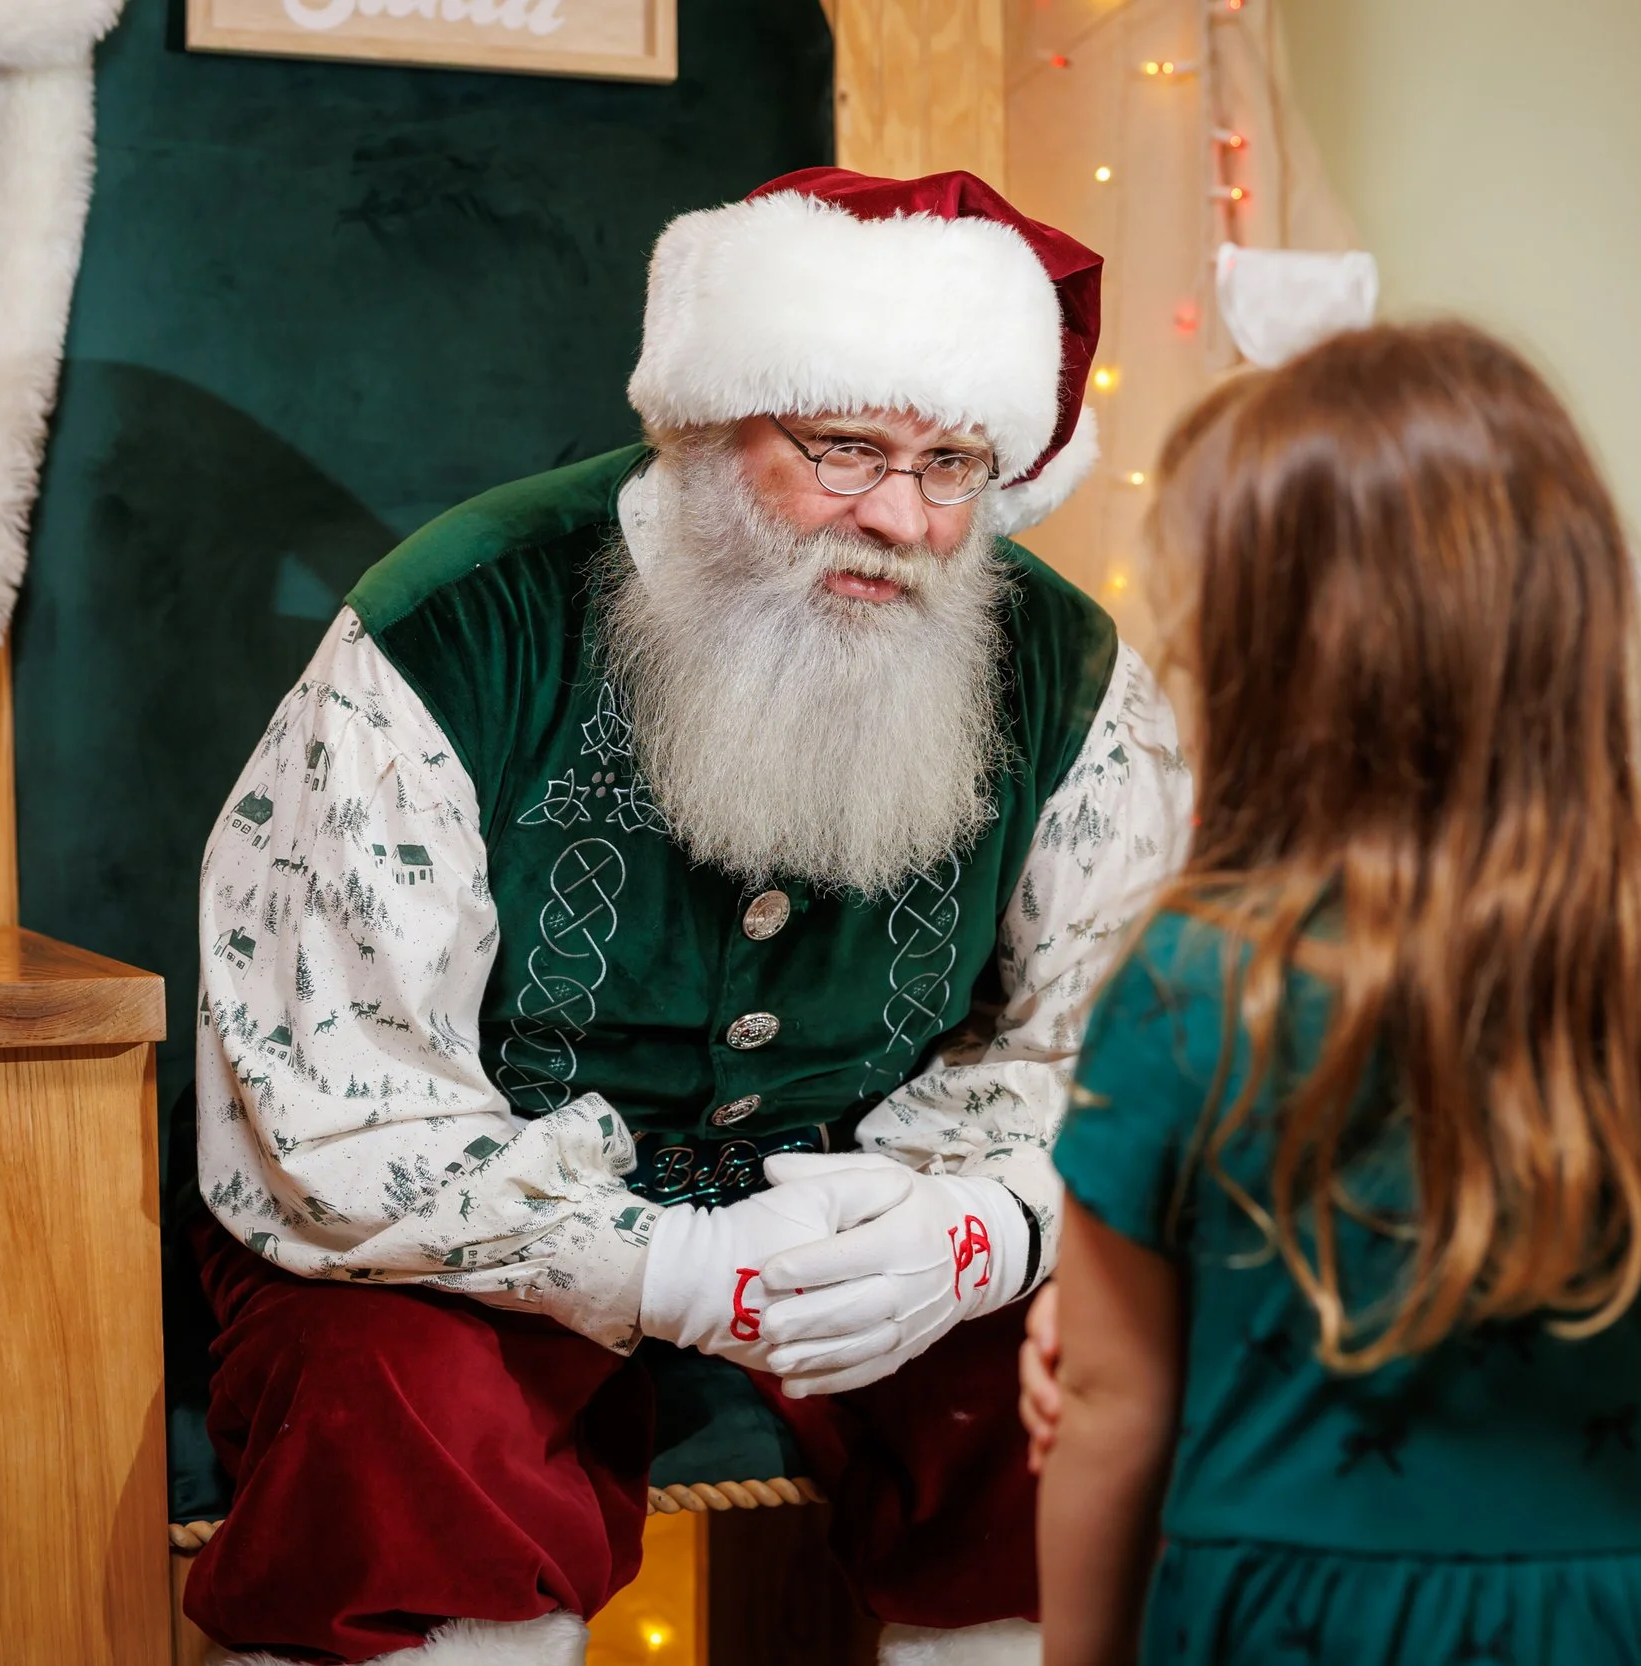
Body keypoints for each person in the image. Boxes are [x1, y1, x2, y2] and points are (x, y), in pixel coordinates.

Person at [187, 167, 1193, 1666]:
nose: (903, 522)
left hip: (874, 1206)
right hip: (466, 1234)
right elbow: (337, 1084)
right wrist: (659, 1267)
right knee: (398, 1413)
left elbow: (1124, 1037)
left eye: (950, 465)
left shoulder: (1061, 668)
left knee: (1069, 1387)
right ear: (713, 427)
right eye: (845, 449)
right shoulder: (461, 622)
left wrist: (969, 1230)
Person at [1021, 321, 1641, 1666]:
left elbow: (1108, 1403)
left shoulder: (1192, 983)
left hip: (1301, 1623)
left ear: (1275, 667)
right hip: (1633, 1623)